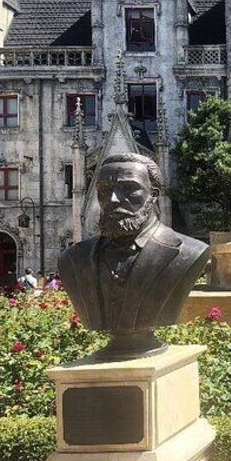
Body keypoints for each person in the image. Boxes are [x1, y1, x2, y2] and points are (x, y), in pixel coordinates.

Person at [58, 153, 209, 360]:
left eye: (129, 188)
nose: (113, 199)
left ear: (153, 195)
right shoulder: (73, 259)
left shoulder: (190, 252)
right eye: (104, 190)